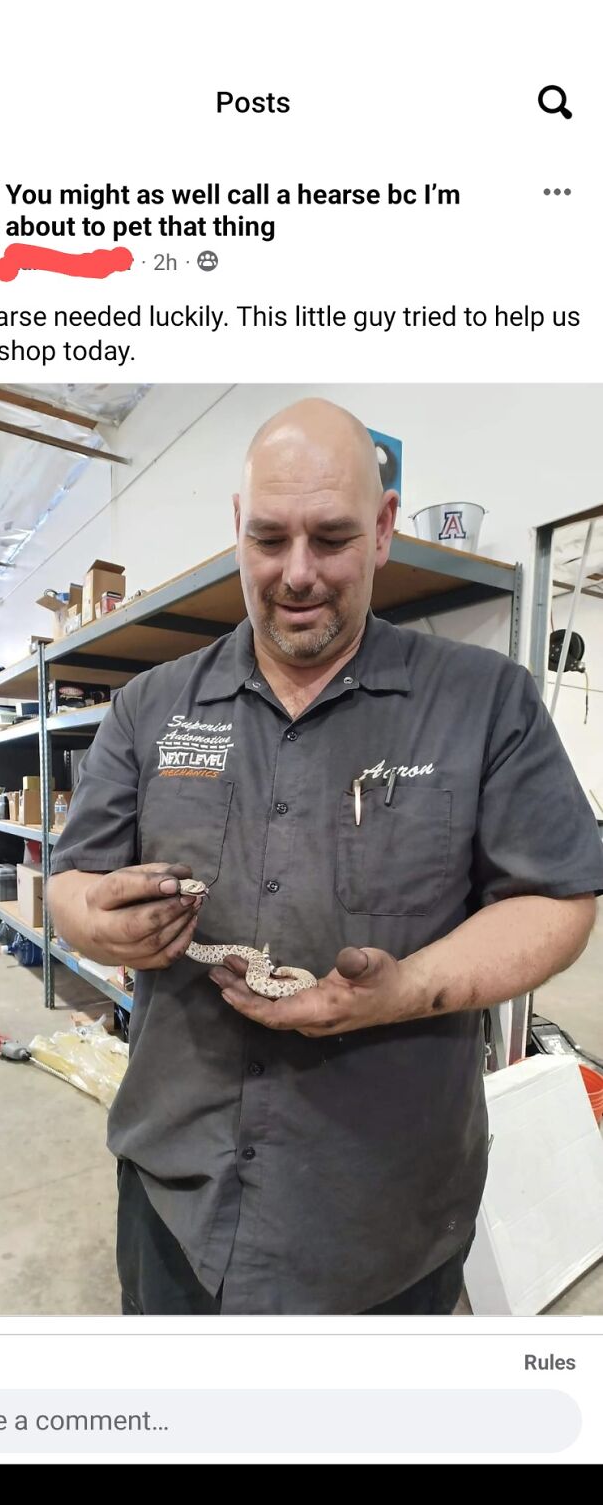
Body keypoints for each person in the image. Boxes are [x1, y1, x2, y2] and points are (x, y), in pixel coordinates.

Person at [48, 398, 603, 1315]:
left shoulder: (484, 702)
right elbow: (70, 883)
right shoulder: (149, 707)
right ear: (237, 527)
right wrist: (93, 921)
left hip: (383, 1219)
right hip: (175, 1199)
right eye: (269, 539)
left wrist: (406, 986)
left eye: (332, 538)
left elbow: (558, 901)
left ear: (384, 529)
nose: (297, 574)